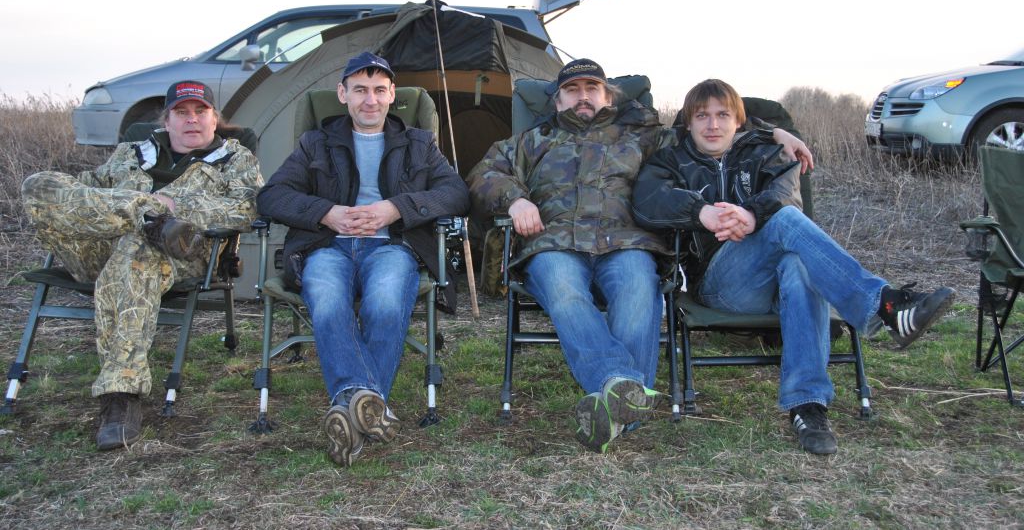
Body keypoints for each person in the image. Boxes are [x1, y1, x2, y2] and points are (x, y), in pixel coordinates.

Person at [468, 59, 813, 453]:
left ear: (608, 96)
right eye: (572, 90)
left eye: (592, 88)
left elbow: (710, 128)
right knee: (564, 291)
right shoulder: (532, 141)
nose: (583, 97)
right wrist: (515, 200)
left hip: (628, 242)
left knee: (637, 290)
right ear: (558, 101)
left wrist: (773, 132)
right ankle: (622, 387)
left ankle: (616, 402)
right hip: (554, 243)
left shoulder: (645, 136)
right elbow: (483, 173)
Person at [632, 79, 955, 455]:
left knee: (800, 264)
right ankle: (883, 306)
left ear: (739, 121)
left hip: (779, 280)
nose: (713, 125)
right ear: (687, 122)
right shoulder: (671, 160)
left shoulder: (766, 154)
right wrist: (701, 212)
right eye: (702, 116)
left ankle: (808, 407)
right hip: (722, 286)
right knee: (784, 222)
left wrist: (752, 214)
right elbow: (647, 200)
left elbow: (785, 194)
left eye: (723, 115)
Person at [21, 80, 263, 451]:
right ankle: (145, 215)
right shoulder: (131, 153)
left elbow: (247, 209)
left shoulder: (234, 159)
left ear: (215, 119)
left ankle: (121, 396)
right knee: (38, 184)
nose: (192, 119)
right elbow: (83, 191)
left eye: (201, 111)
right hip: (97, 251)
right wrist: (148, 208)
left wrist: (178, 207)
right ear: (167, 120)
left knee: (137, 249)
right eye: (181, 112)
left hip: (181, 256)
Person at [256, 51, 470, 467]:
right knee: (328, 300)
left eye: (378, 90)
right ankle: (367, 406)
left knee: (386, 304)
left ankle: (349, 408)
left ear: (392, 95)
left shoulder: (419, 143)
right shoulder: (315, 142)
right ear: (343, 94)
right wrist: (325, 212)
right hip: (327, 247)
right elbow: (272, 196)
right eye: (359, 90)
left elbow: (456, 193)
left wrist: (396, 208)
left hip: (392, 247)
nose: (369, 100)